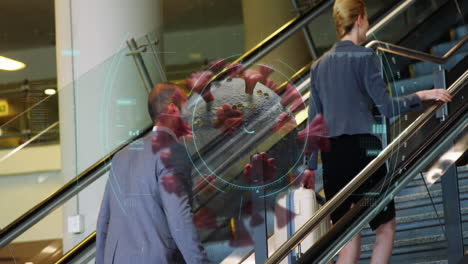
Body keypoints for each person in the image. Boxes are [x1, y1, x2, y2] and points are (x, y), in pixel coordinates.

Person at [303, 0, 453, 263]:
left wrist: (308, 167)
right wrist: (423, 94)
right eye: (368, 20)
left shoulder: (318, 66)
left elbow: (314, 122)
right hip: (363, 152)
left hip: (332, 158)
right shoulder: (364, 57)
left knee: (347, 239)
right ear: (359, 19)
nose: (369, 25)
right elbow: (386, 107)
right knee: (385, 228)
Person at [96, 83, 212, 264]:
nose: (191, 115)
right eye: (187, 106)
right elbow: (179, 219)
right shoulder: (173, 151)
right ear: (173, 109)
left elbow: (104, 222)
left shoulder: (122, 155)